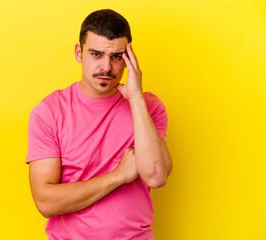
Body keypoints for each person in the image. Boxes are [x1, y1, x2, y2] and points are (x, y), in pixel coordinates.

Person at [26, 9, 172, 240]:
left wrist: (136, 99)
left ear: (129, 58)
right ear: (78, 52)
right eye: (96, 54)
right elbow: (46, 201)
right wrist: (118, 175)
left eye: (116, 56)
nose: (106, 67)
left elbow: (155, 175)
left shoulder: (148, 107)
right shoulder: (49, 112)